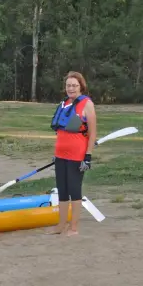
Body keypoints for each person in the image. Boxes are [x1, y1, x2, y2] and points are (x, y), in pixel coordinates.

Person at [49, 71, 97, 236]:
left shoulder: (87, 104)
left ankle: (74, 227)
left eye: (74, 85)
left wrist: (88, 156)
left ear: (81, 86)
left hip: (77, 155)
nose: (71, 88)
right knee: (62, 190)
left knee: (74, 190)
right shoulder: (64, 103)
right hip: (60, 153)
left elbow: (92, 133)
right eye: (68, 85)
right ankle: (61, 224)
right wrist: (56, 152)